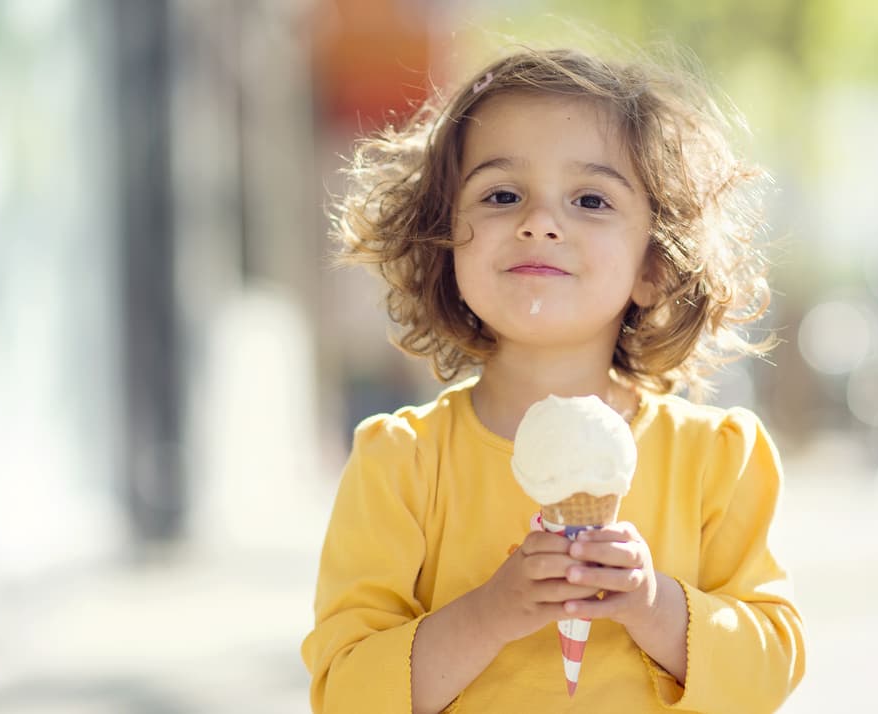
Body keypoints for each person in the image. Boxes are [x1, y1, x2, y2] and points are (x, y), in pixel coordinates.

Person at [302, 46, 806, 713]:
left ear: (654, 264)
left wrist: (655, 606)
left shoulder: (718, 459)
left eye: (591, 199)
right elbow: (345, 693)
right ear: (443, 244)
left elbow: (769, 670)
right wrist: (490, 613)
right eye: (502, 194)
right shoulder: (402, 462)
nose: (540, 220)